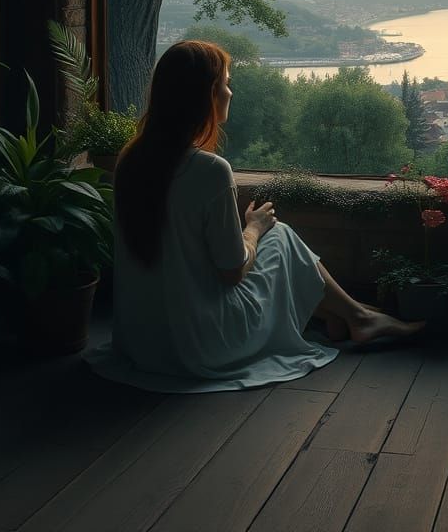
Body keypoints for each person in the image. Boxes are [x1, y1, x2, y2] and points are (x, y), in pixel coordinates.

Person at [86, 40, 424, 393]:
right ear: (205, 95)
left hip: (144, 343)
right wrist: (254, 228)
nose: (230, 93)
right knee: (280, 234)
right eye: (225, 84)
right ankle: (357, 317)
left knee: (274, 235)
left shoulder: (130, 161)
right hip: (204, 346)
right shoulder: (209, 170)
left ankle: (347, 315)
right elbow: (231, 271)